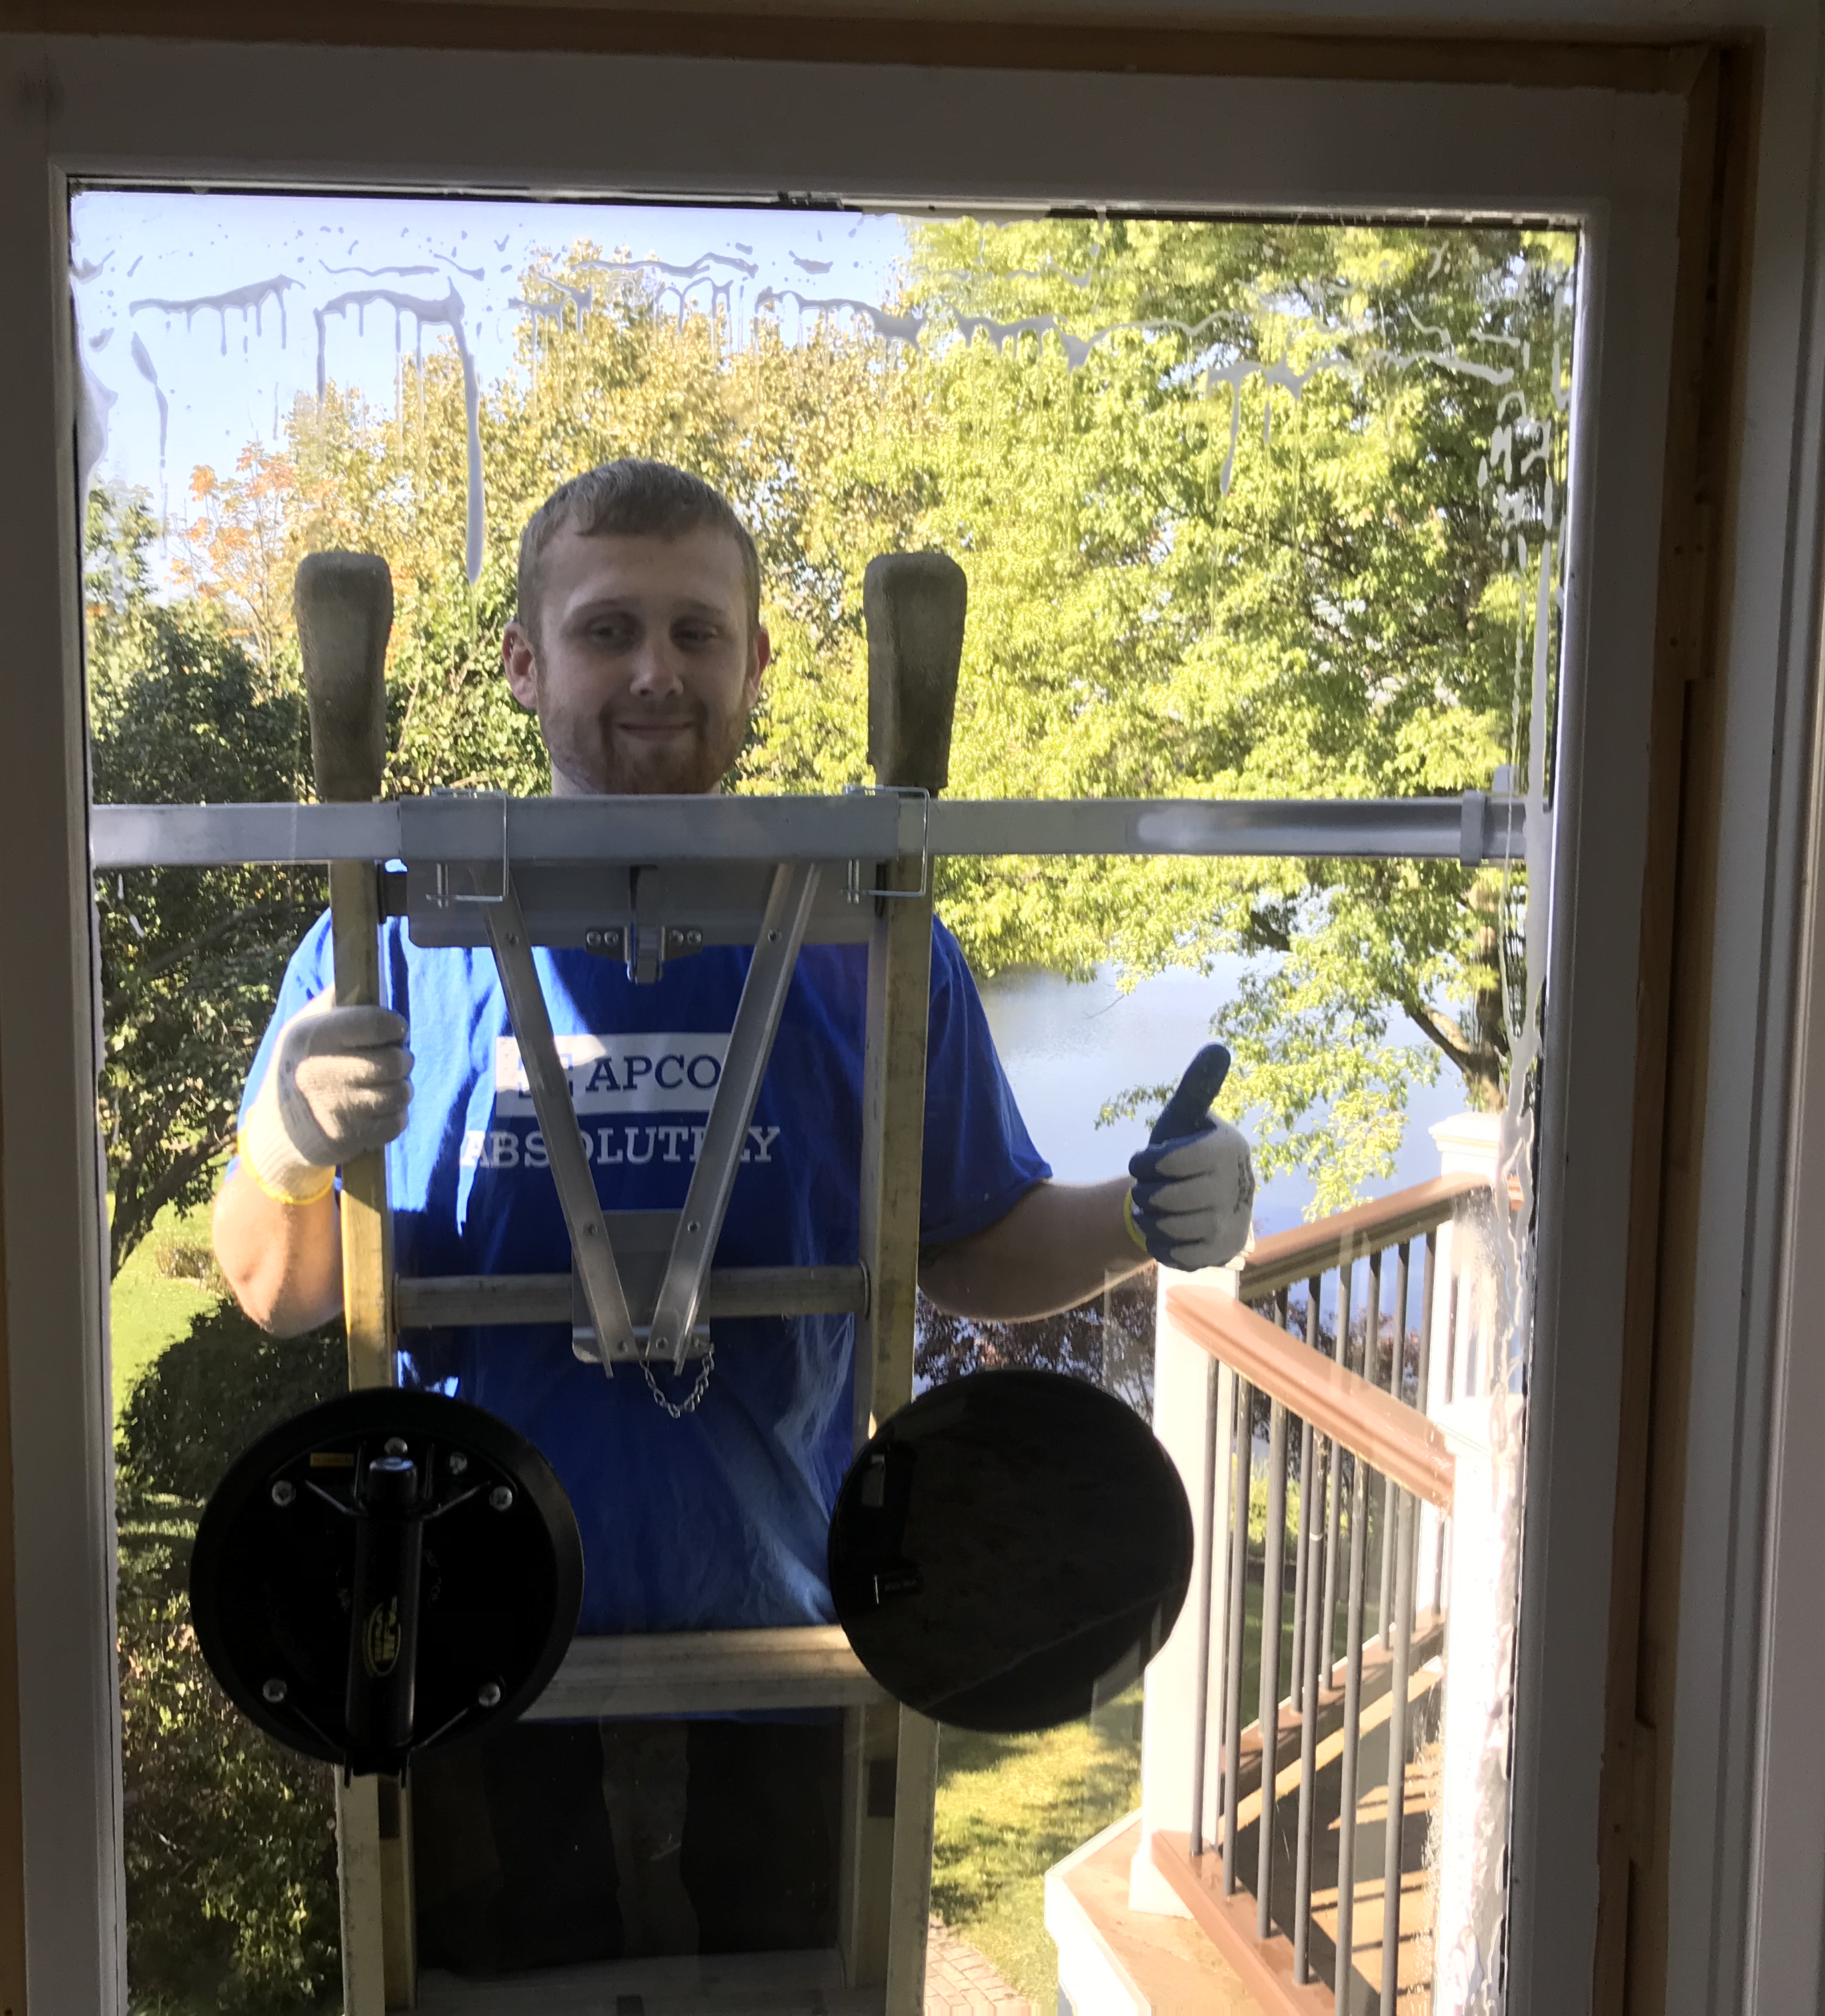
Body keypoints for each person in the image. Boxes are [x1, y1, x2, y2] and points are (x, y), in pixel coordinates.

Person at [214, 459, 1254, 1973]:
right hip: (468, 1641)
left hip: (796, 1640)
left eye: (699, 634)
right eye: (607, 629)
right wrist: (285, 1145)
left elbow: (969, 1236)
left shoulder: (868, 938)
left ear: (758, 665)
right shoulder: (391, 935)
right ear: (524, 662)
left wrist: (1136, 1219)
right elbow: (279, 1287)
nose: (655, 672)